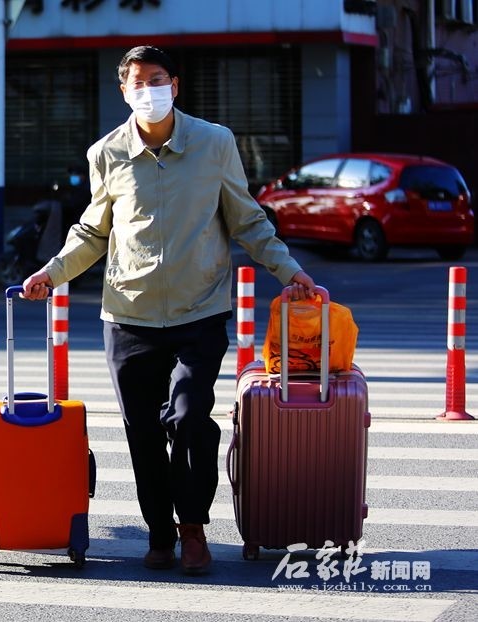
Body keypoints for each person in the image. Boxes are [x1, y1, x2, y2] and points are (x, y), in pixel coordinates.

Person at [21, 46, 315, 575]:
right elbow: (93, 231)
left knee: (189, 420)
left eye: (157, 80)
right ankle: (159, 532)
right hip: (127, 317)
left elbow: (247, 220)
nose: (148, 91)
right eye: (137, 83)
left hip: (198, 313)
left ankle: (193, 527)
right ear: (124, 91)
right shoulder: (106, 153)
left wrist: (289, 271)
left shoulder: (214, 143)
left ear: (174, 85)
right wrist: (52, 272)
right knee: (142, 432)